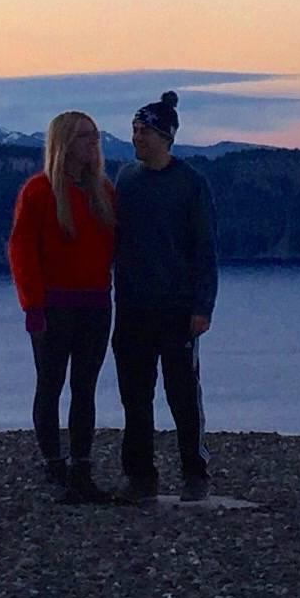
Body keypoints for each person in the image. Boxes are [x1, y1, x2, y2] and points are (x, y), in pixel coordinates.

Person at [111, 88, 217, 502]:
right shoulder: (126, 179)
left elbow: (204, 248)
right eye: (135, 130)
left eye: (144, 131)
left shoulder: (191, 184)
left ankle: (195, 472)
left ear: (165, 137)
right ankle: (140, 476)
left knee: (182, 394)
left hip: (176, 308)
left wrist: (202, 306)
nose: (136, 137)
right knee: (135, 396)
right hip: (132, 306)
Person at [6, 110, 118, 503]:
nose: (93, 142)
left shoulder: (102, 192)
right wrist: (32, 307)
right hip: (54, 307)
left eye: (95, 135)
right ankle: (54, 464)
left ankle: (81, 468)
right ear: (65, 143)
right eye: (85, 136)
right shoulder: (38, 192)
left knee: (85, 388)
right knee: (50, 385)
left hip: (96, 305)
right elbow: (22, 251)